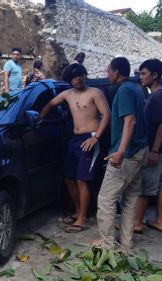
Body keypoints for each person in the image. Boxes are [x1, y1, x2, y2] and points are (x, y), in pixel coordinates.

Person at [40, 64, 111, 232]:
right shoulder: (67, 95)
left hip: (90, 137)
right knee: (69, 178)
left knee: (82, 179)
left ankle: (82, 218)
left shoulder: (95, 93)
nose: (79, 78)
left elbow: (106, 115)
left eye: (81, 75)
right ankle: (79, 211)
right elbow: (50, 105)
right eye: (75, 76)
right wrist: (39, 120)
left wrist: (96, 137)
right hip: (74, 139)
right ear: (69, 80)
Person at [92, 56, 148, 250]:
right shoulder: (137, 88)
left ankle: (107, 245)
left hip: (127, 154)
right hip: (141, 151)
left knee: (106, 199)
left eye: (108, 71)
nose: (107, 75)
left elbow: (130, 121)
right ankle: (126, 243)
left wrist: (120, 151)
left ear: (116, 72)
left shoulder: (124, 91)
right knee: (131, 199)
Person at [134, 59, 162, 234]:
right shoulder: (155, 95)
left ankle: (137, 223)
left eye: (144, 73)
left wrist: (155, 150)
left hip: (155, 148)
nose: (141, 77)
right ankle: (160, 221)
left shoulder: (159, 96)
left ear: (155, 75)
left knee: (144, 185)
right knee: (160, 184)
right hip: (159, 148)